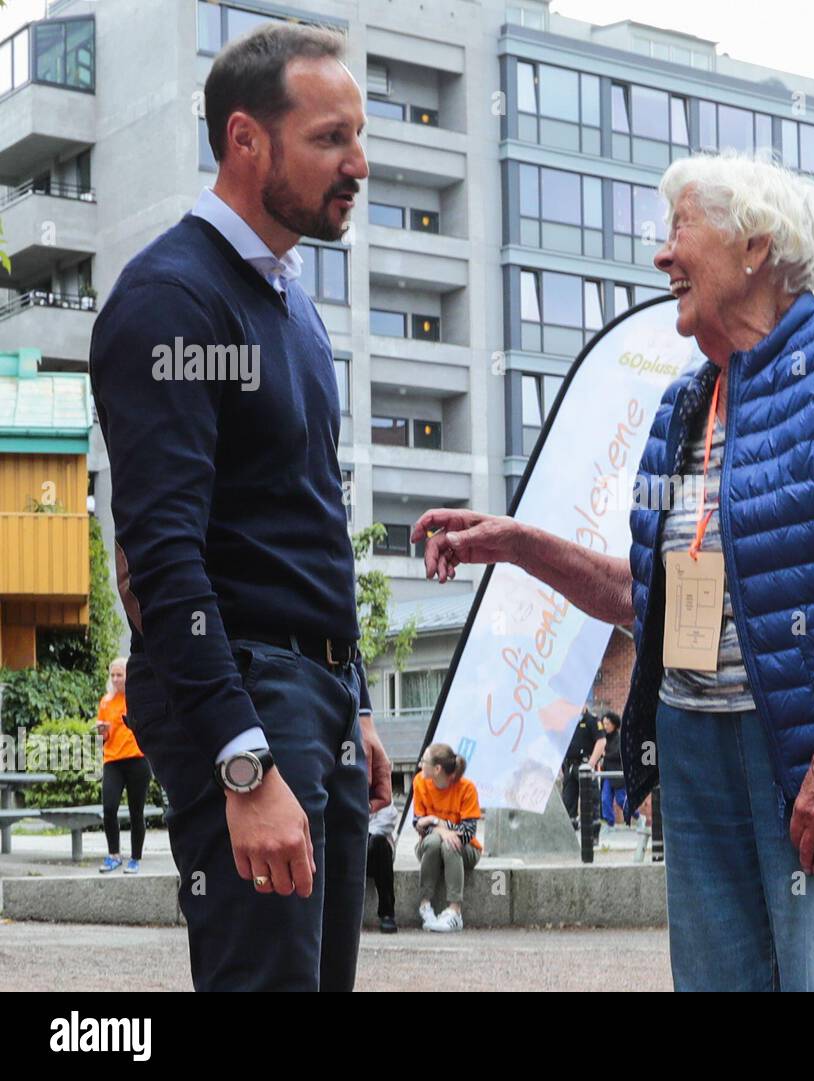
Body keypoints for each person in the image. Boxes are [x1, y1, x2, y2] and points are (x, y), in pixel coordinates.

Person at [411, 151, 814, 991]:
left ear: (757, 245)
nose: (662, 255)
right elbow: (648, 600)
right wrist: (516, 542)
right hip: (699, 747)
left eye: (680, 228)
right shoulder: (686, 402)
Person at [89, 23, 391, 991]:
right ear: (244, 140)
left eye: (359, 136)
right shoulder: (174, 299)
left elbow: (310, 522)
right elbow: (160, 549)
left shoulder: (292, 307)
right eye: (331, 138)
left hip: (318, 701)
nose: (359, 164)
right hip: (247, 699)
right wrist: (242, 761)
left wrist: (359, 700)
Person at [414, 743, 483, 933]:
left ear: (437, 769)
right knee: (437, 841)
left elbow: (468, 832)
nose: (420, 764)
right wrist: (441, 829)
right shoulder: (420, 782)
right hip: (430, 848)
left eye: (424, 761)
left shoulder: (466, 788)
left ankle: (455, 912)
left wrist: (434, 822)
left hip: (466, 850)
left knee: (450, 843)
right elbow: (417, 824)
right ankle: (425, 905)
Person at [96, 657, 152, 874]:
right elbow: (103, 737)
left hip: (137, 759)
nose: (116, 678)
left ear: (128, 676)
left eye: (120, 674)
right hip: (112, 761)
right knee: (109, 808)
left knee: (136, 811)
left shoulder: (136, 698)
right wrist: (102, 732)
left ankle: (135, 858)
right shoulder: (105, 702)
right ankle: (113, 855)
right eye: (113, 675)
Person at [591, 712, 637, 828]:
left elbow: (619, 753)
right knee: (605, 799)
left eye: (608, 724)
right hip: (607, 774)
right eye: (604, 724)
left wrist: (605, 754)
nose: (605, 726)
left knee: (621, 800)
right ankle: (610, 823)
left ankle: (638, 816)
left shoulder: (620, 737)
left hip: (618, 774)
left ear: (614, 724)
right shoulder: (602, 738)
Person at [560, 708, 600, 824]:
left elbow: (601, 741)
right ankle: (570, 831)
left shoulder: (591, 720)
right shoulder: (567, 722)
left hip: (584, 764)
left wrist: (590, 764)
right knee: (568, 802)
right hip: (569, 765)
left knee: (590, 799)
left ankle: (593, 835)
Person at [366, 801, 400, 934]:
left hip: (376, 853)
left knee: (378, 842)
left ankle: (387, 914)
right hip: (352, 848)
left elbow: (388, 818)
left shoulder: (379, 788)